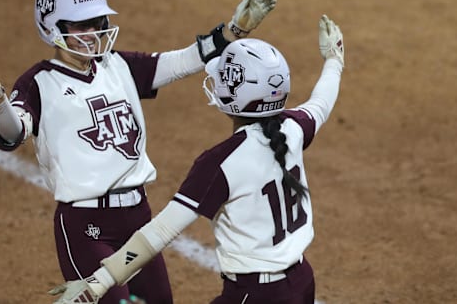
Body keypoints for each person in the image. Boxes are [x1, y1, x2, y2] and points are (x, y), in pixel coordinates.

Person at [0, 0, 278, 304]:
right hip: (86, 225)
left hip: (137, 216)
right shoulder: (38, 82)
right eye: (81, 26)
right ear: (53, 27)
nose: (93, 33)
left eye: (97, 22)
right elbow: (13, 132)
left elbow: (182, 61)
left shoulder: (118, 65)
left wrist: (234, 31)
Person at [49, 15, 345, 304]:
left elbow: (162, 231)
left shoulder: (220, 163)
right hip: (302, 281)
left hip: (253, 295)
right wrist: (334, 58)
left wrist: (98, 283)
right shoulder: (292, 129)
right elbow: (322, 101)